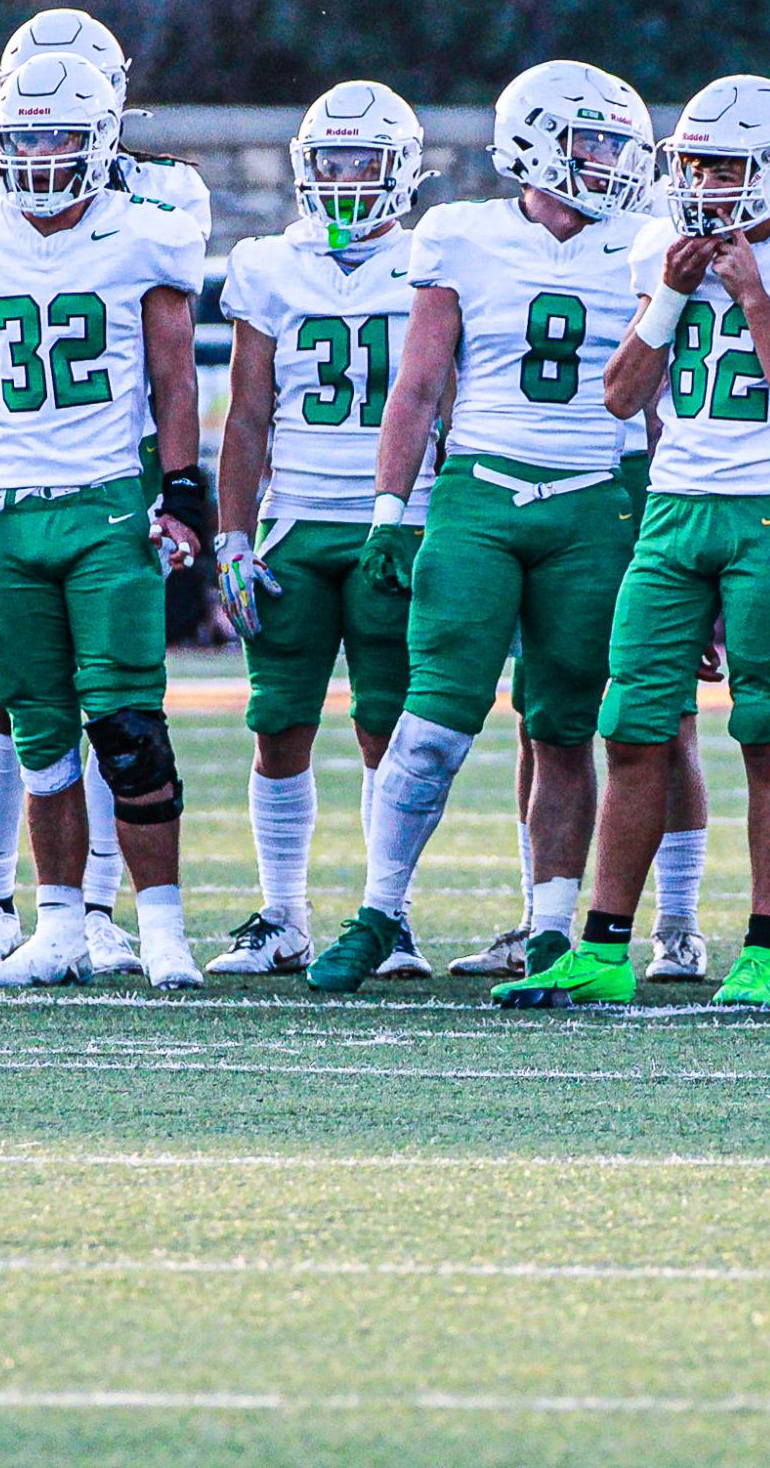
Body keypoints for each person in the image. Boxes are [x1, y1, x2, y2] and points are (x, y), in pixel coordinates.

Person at [492, 75, 770, 1010]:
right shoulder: (655, 245)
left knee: (769, 732)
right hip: (674, 508)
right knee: (629, 728)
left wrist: (753, 297)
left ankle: (764, 944)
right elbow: (622, 395)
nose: (706, 183)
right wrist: (671, 297)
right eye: (697, 163)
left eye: (726, 165)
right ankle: (601, 946)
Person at [306, 62, 655, 994]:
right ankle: (380, 909)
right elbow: (416, 385)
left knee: (564, 724)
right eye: (592, 141)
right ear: (536, 143)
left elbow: (659, 404)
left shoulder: (647, 241)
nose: (611, 162)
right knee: (431, 720)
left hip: (596, 496)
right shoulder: (459, 235)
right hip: (478, 492)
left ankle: (548, 926)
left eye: (617, 143)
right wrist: (390, 509)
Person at [0, 52, 209, 989]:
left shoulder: (142, 232)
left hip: (106, 499)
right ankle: (59, 925)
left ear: (103, 139)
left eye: (58, 137)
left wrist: (185, 489)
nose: (38, 156)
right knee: (38, 729)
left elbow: (173, 375)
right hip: (5, 509)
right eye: (23, 137)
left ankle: (159, 928)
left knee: (125, 725)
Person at [204, 81, 438, 976]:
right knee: (279, 722)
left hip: (398, 521)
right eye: (328, 160)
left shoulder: (431, 257)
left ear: (401, 170)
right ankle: (284, 913)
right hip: (295, 521)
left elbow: (444, 400)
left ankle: (390, 916)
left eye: (361, 161)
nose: (343, 178)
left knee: (390, 723)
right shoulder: (269, 263)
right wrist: (232, 536)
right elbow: (248, 415)